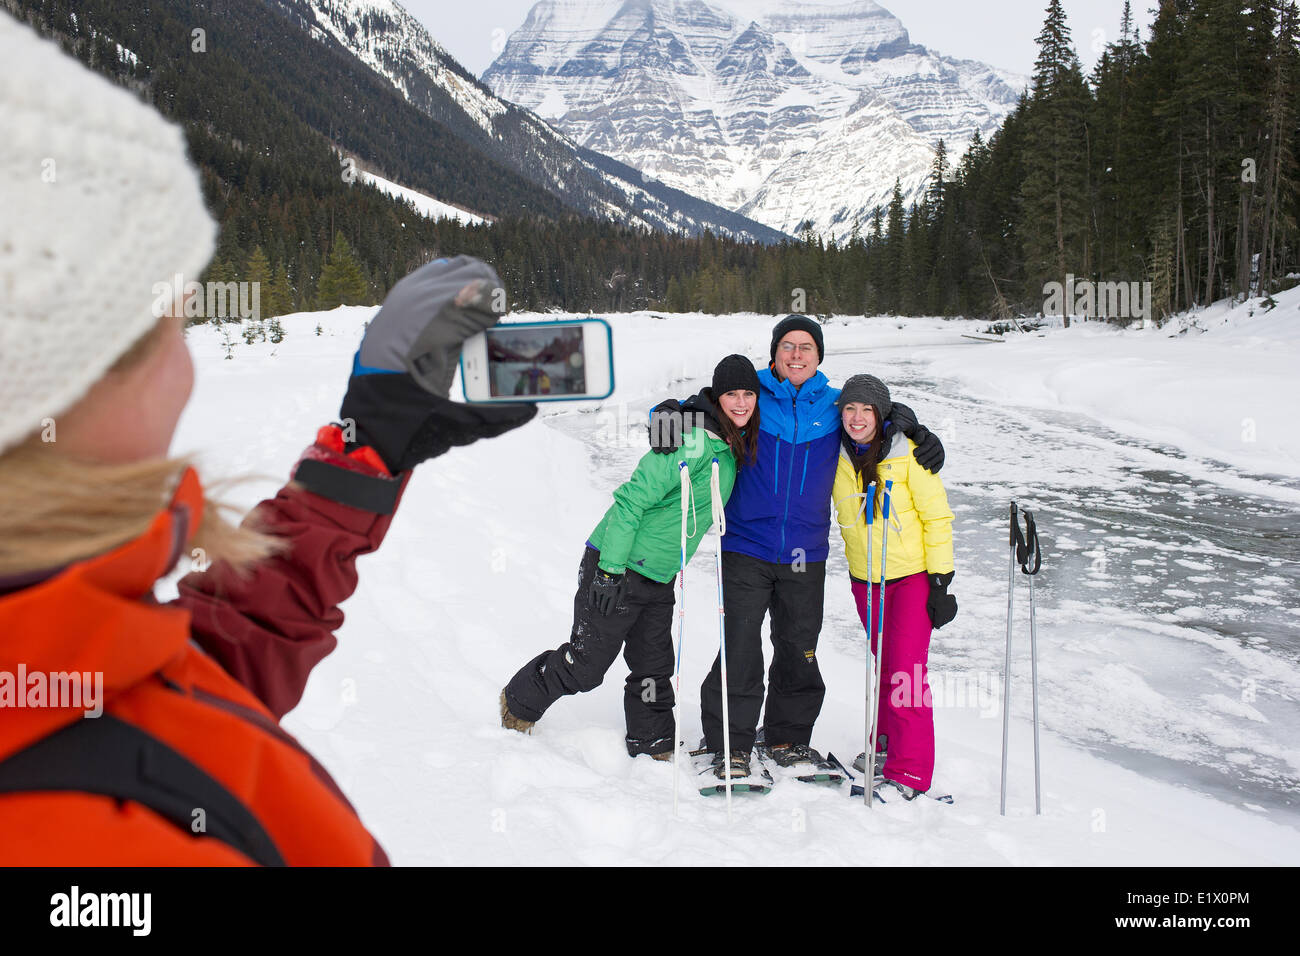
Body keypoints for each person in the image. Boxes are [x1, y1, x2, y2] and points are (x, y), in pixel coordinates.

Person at [0, 13, 534, 864]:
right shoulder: (94, 835)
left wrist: (367, 446)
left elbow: (191, 685)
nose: (187, 364)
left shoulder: (51, 669)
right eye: (171, 321)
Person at [649, 316, 945, 781]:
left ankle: (788, 737)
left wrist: (915, 429)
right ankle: (730, 742)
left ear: (819, 355)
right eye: (788, 346)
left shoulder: (833, 405)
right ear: (775, 352)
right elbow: (705, 403)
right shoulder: (752, 393)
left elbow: (876, 417)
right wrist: (667, 413)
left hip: (806, 551)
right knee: (740, 647)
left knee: (799, 648)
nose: (796, 355)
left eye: (806, 347)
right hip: (746, 544)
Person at [501, 357, 760, 761]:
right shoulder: (688, 442)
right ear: (717, 397)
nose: (741, 402)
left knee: (654, 667)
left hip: (660, 575)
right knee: (586, 666)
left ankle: (653, 744)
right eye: (732, 394)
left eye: (749, 394)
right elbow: (630, 501)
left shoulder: (728, 446)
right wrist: (608, 571)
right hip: (617, 565)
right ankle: (517, 704)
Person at [832, 374, 957, 799]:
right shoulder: (836, 452)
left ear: (881, 413)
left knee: (907, 673)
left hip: (911, 578)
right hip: (865, 578)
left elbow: (937, 516)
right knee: (886, 664)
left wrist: (940, 580)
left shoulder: (909, 454)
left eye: (866, 409)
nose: (856, 417)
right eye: (849, 408)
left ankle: (911, 772)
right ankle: (885, 746)